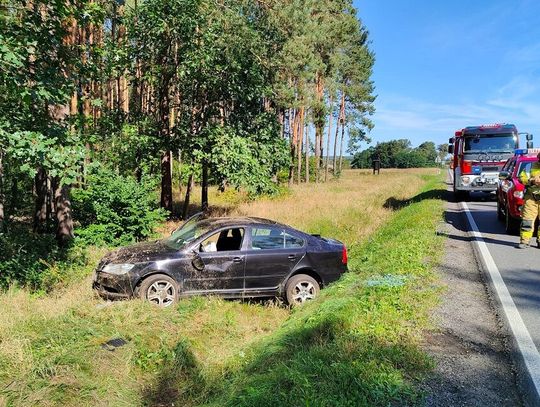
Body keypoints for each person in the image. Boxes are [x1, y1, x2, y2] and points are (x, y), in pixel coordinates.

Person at [517, 152, 540, 249]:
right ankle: (525, 241)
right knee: (527, 220)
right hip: (531, 198)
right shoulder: (529, 167)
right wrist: (532, 181)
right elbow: (521, 178)